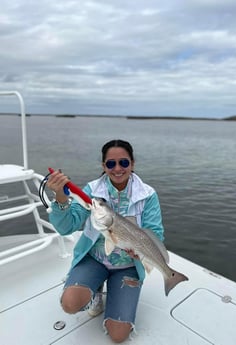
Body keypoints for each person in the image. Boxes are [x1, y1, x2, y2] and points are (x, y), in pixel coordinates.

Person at [47, 139, 164, 343]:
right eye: (111, 164)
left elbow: (155, 232)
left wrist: (142, 253)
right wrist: (60, 197)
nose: (117, 168)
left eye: (124, 163)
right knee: (70, 304)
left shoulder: (148, 195)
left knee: (118, 335)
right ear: (103, 166)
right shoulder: (92, 191)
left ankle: (117, 294)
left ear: (132, 164)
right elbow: (66, 227)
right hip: (94, 260)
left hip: (128, 266)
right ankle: (96, 291)